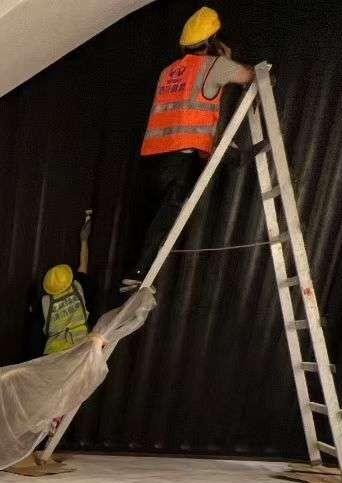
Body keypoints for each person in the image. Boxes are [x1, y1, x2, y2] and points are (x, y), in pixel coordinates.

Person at [122, 6, 255, 291]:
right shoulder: (215, 65)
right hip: (180, 158)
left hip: (152, 158)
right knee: (168, 216)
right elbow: (248, 76)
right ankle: (140, 272)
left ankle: (137, 270)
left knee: (154, 217)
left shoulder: (168, 72)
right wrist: (226, 58)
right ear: (213, 40)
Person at [29, 209, 96, 357]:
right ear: (69, 279)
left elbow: (35, 340)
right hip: (80, 349)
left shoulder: (44, 303)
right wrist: (84, 241)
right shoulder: (79, 288)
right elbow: (83, 266)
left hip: (54, 356)